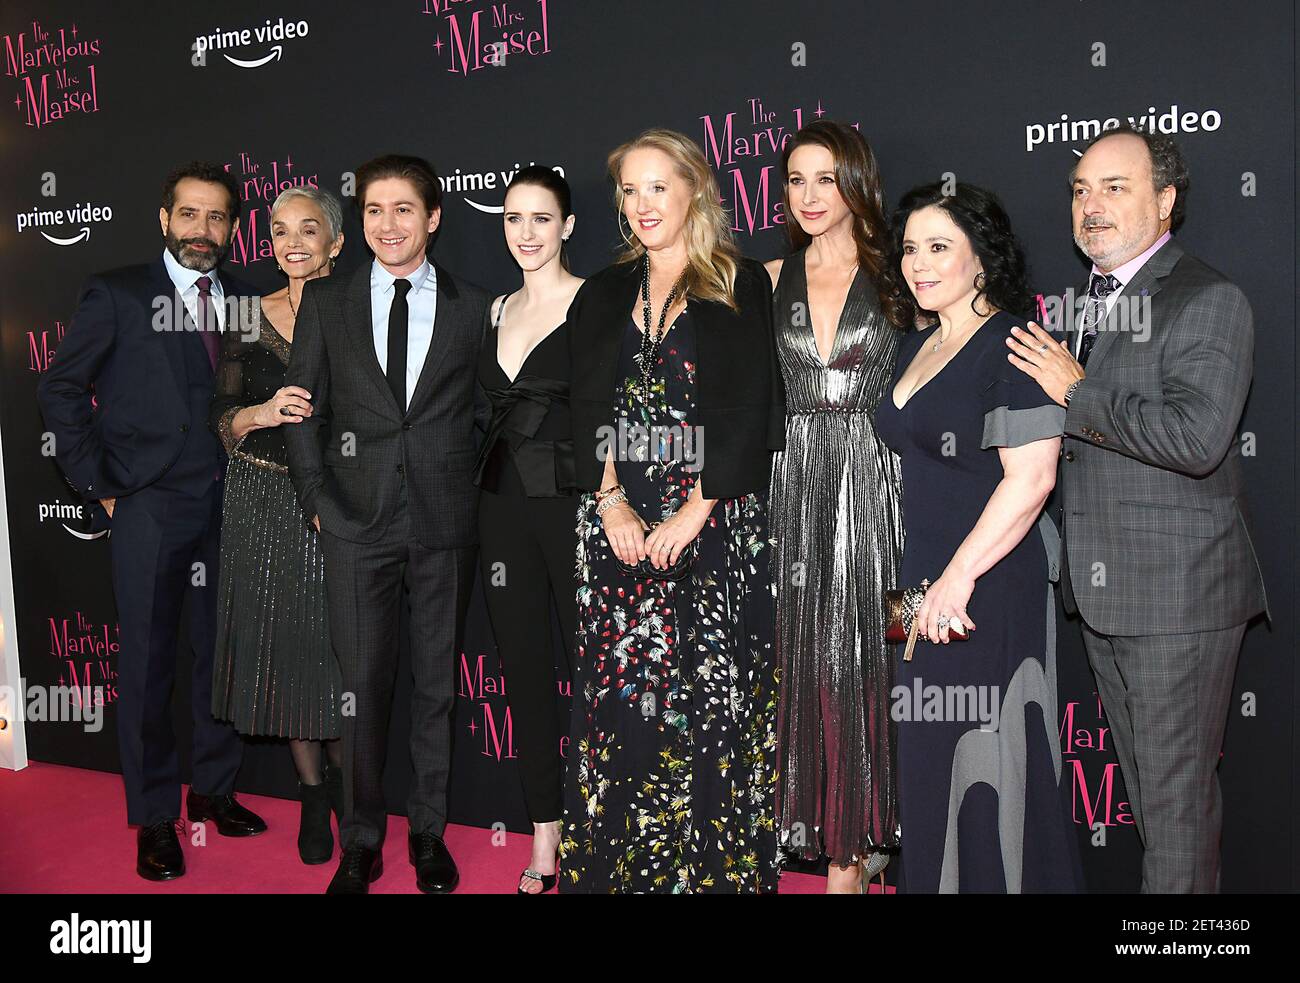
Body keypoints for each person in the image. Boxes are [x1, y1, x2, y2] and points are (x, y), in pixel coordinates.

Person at [1006, 124, 1269, 893]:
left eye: (1114, 187)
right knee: (1163, 814)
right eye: (1080, 190)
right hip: (1107, 596)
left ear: (1165, 199)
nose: (1091, 206)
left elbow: (1195, 437)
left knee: (1177, 818)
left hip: (1178, 600)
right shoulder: (1090, 302)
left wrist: (1075, 391)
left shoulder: (1208, 298)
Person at [560, 128, 785, 893]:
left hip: (715, 525)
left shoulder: (740, 282)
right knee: (624, 708)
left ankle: (713, 876)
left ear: (696, 189)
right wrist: (611, 500)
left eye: (659, 186)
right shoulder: (599, 293)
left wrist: (696, 510)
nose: (643, 203)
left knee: (711, 705)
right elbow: (587, 406)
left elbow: (751, 406)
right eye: (630, 189)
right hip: (616, 531)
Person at [37, 162, 267, 881]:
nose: (204, 230)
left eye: (219, 217)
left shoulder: (243, 297)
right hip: (149, 506)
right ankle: (155, 816)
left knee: (220, 654)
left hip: (230, 502)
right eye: (191, 215)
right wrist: (100, 486)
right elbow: (61, 387)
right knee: (145, 664)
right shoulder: (119, 291)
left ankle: (215, 788)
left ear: (233, 228)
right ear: (164, 220)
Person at [282, 154, 490, 894]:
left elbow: (486, 414)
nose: (387, 224)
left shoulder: (473, 306)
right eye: (374, 210)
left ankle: (428, 832)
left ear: (433, 218)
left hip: (443, 525)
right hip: (353, 524)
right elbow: (300, 406)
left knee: (436, 684)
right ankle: (361, 840)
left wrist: (468, 491)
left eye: (404, 209)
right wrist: (315, 496)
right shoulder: (329, 302)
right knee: (361, 689)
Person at [874, 182, 1082, 893]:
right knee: (927, 757)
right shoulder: (919, 343)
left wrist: (956, 578)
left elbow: (1031, 479)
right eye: (909, 248)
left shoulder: (1016, 343)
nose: (918, 264)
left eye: (939, 247)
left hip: (985, 582)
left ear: (982, 261)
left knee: (987, 758)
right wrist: (923, 584)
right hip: (916, 579)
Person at [763, 120, 904, 893]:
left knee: (871, 654)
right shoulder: (765, 277)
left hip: (878, 485)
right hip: (790, 485)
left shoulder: (900, 271)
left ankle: (857, 851)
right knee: (802, 659)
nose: (810, 195)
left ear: (856, 181)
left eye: (826, 177)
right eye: (795, 179)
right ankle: (818, 827)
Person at [209, 186, 346, 865]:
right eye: (280, 230)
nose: (293, 241)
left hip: (343, 509)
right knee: (292, 656)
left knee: (343, 653)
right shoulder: (244, 316)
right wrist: (261, 412)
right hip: (263, 504)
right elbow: (222, 420)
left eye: (309, 229)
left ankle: (355, 791)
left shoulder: (364, 314)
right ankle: (314, 793)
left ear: (337, 242)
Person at [473, 166, 583, 894]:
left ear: (568, 226)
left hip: (575, 508)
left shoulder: (599, 303)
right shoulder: (493, 309)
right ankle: (545, 833)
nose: (527, 233)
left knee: (599, 673)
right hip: (498, 511)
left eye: (541, 218)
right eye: (514, 218)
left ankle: (608, 822)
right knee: (525, 677)